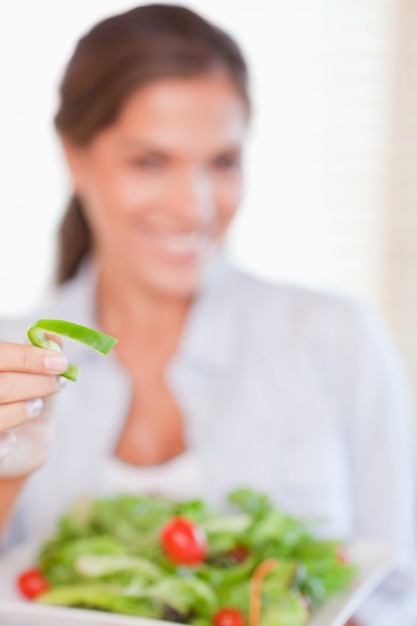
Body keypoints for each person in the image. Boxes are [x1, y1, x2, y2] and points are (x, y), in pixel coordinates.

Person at [0, 4, 415, 624]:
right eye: (151, 162)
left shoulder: (335, 335)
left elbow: (401, 590)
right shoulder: (15, 361)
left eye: (221, 162)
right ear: (76, 156)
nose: (193, 207)